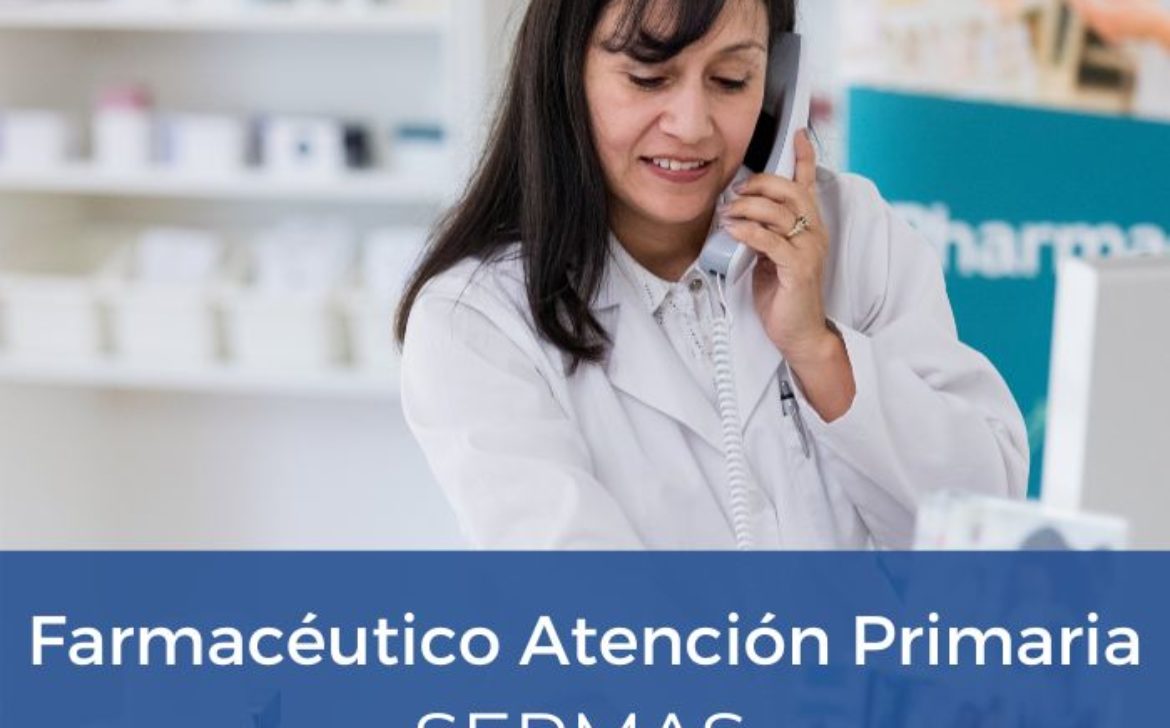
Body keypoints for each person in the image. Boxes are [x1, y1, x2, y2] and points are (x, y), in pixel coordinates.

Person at [395, 0, 1029, 550]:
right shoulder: (477, 320)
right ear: (565, 77)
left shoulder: (854, 230)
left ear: (778, 84)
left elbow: (986, 524)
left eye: (731, 80)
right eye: (648, 78)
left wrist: (819, 350)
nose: (692, 125)